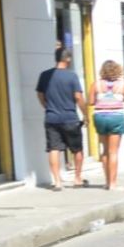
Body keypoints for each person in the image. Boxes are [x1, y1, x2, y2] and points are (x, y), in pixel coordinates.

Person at [37, 46, 86, 190]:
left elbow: (40, 94)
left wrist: (46, 106)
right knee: (77, 149)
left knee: (53, 149)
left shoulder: (44, 75)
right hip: (70, 118)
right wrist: (86, 114)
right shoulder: (71, 76)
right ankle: (77, 179)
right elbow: (78, 97)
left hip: (51, 118)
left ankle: (57, 182)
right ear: (68, 59)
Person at [90, 60, 124, 192]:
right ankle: (113, 184)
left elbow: (91, 102)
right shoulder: (123, 85)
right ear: (118, 70)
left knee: (105, 151)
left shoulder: (96, 84)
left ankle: (107, 182)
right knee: (113, 152)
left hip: (100, 117)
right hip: (116, 117)